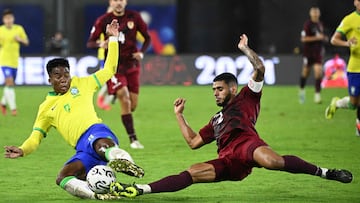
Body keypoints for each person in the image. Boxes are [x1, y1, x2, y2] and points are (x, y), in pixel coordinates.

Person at [109, 34, 353, 198]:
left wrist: (245, 49)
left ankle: (325, 172)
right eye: (213, 90)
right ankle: (140, 190)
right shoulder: (216, 120)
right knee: (192, 172)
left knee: (273, 162)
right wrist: (179, 116)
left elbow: (260, 69)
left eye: (220, 89)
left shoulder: (247, 97)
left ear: (232, 89)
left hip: (248, 145)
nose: (215, 93)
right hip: (228, 160)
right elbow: (193, 143)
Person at [4, 19, 144, 200]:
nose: (64, 79)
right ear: (49, 80)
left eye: (66, 74)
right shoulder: (46, 108)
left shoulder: (82, 83)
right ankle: (100, 195)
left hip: (96, 132)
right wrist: (23, 150)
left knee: (101, 146)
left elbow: (109, 69)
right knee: (62, 177)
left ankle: (125, 163)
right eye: (58, 76)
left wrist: (113, 39)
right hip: (82, 150)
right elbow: (35, 137)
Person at [87, 0, 151, 149]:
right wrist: (100, 44)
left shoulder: (134, 17)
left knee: (132, 105)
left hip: (132, 65)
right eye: (115, 0)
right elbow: (90, 42)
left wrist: (141, 52)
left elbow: (147, 38)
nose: (118, 3)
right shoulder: (103, 20)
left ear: (125, 2)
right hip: (114, 66)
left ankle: (114, 93)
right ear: (111, 2)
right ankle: (133, 139)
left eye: (121, 0)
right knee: (125, 97)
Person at [325, 0, 360, 135]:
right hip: (355, 69)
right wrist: (347, 43)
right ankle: (337, 103)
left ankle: (358, 126)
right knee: (353, 103)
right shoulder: (349, 19)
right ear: (355, 2)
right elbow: (334, 39)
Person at [0, 9, 29, 116]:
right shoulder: (0, 30)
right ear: (3, 20)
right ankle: (13, 108)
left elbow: (26, 41)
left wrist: (19, 39)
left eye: (10, 18)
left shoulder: (18, 29)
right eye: (6, 18)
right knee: (9, 82)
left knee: (10, 85)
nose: (8, 20)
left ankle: (3, 103)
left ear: (13, 19)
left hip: (14, 61)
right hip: (4, 60)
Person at [299, 6, 328, 104]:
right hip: (308, 53)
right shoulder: (307, 24)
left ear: (319, 14)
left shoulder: (320, 24)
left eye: (317, 13)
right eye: (314, 13)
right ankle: (302, 91)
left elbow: (320, 37)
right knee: (306, 72)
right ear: (311, 14)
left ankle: (317, 95)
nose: (315, 14)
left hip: (318, 53)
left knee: (318, 72)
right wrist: (317, 38)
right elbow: (303, 39)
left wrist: (323, 38)